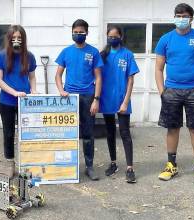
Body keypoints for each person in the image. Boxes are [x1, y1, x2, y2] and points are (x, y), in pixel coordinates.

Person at [155, 3, 194, 185]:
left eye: (184, 16)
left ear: (191, 18)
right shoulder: (165, 39)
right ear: (174, 17)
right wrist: (162, 92)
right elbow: (158, 68)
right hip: (171, 90)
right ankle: (171, 165)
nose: (181, 19)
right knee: (172, 128)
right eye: (178, 15)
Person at [55, 19, 103, 180]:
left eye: (81, 32)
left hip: (88, 97)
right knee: (68, 133)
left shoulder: (93, 52)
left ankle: (89, 167)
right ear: (72, 33)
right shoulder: (66, 52)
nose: (78, 35)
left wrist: (96, 99)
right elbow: (58, 75)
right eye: (75, 32)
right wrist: (61, 90)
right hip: (70, 98)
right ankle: (68, 166)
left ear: (87, 33)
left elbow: (98, 77)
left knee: (88, 133)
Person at [0, 25, 37, 178]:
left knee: (26, 134)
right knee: (9, 133)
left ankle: (27, 164)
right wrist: (14, 93)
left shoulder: (29, 56)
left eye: (20, 38)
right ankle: (10, 164)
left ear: (23, 39)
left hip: (25, 103)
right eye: (14, 38)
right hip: (7, 102)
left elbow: (32, 76)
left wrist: (34, 90)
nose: (16, 40)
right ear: (9, 39)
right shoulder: (1, 56)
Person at [99, 26, 139, 183]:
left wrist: (126, 101)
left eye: (115, 36)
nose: (112, 39)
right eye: (109, 36)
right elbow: (96, 75)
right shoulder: (102, 55)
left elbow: (130, 80)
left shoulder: (128, 55)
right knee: (110, 133)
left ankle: (130, 168)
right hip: (106, 99)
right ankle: (113, 163)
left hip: (122, 101)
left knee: (125, 133)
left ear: (121, 37)